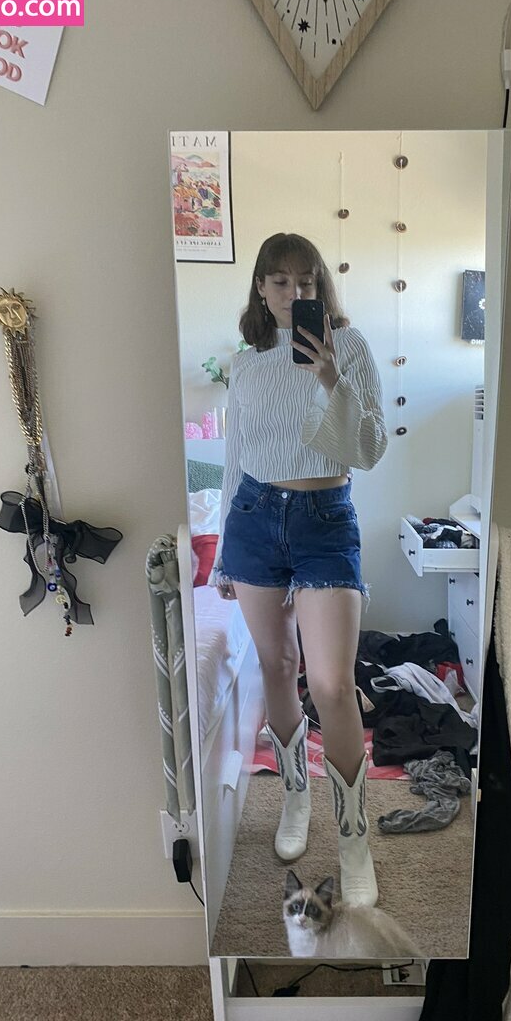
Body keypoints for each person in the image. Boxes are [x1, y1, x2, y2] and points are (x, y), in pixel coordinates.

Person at [209, 232, 388, 906]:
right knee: (277, 665)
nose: (295, 293)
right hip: (254, 517)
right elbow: (234, 458)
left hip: (324, 519)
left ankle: (353, 838)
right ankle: (294, 797)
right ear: (260, 288)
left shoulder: (351, 347)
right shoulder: (246, 363)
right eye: (280, 281)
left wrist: (329, 378)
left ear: (321, 287)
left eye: (307, 281)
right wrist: (224, 554)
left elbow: (368, 449)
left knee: (334, 684)